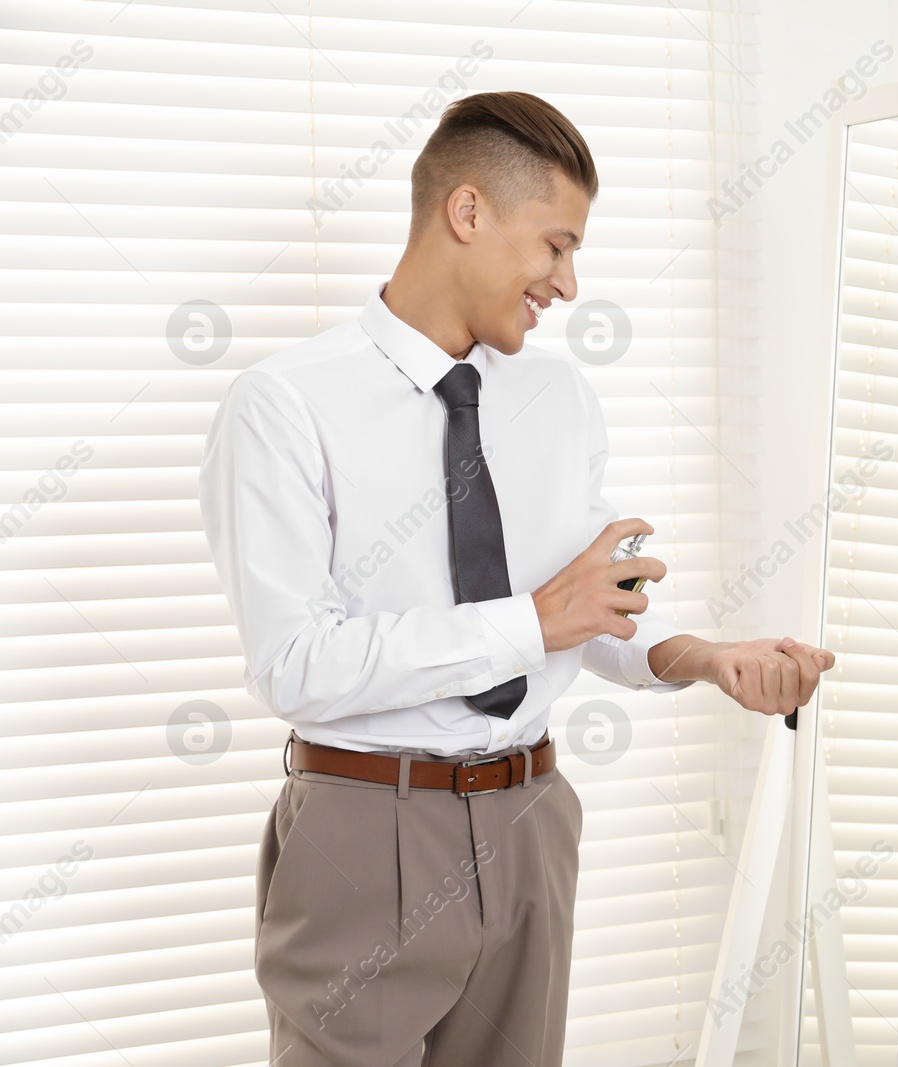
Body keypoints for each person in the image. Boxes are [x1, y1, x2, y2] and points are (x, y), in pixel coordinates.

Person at [197, 89, 834, 1067]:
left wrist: (703, 655)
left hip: (532, 820)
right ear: (467, 213)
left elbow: (587, 612)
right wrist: (534, 620)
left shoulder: (557, 397)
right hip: (367, 831)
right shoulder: (285, 405)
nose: (568, 284)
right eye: (556, 245)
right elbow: (296, 663)